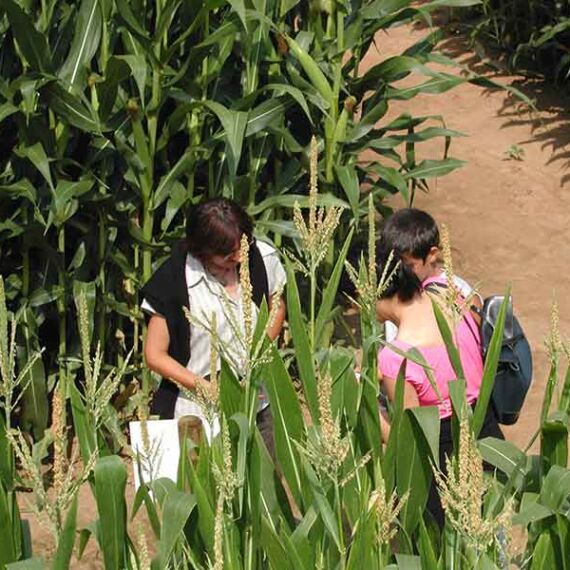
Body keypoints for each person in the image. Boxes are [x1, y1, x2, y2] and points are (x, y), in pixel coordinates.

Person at [141, 198, 286, 451]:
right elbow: (154, 355)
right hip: (198, 410)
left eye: (244, 244)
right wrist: (208, 389)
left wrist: (260, 352)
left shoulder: (261, 258)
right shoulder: (173, 282)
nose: (240, 257)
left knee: (262, 483)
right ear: (203, 252)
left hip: (257, 401)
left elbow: (278, 305)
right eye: (229, 254)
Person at [374, 249, 503, 527]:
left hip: (441, 465)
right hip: (485, 430)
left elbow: (408, 437)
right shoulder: (453, 294)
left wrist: (367, 409)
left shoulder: (397, 357)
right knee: (492, 534)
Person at [378, 208, 475, 342]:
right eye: (393, 266)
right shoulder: (397, 291)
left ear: (432, 255)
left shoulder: (459, 292)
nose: (399, 273)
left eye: (409, 266)